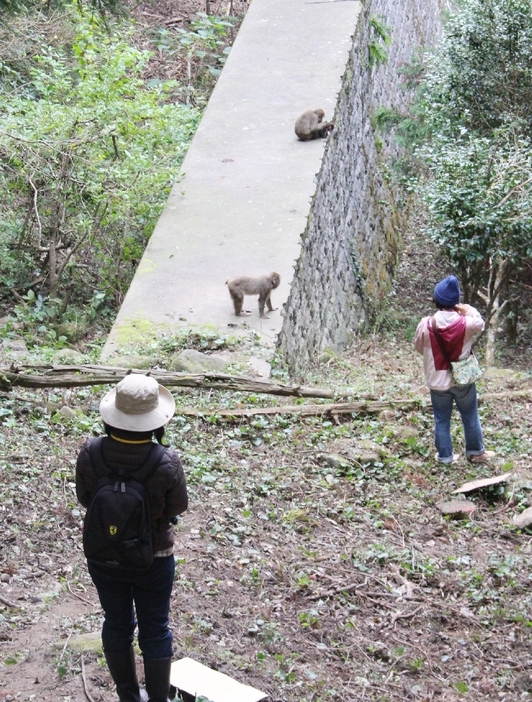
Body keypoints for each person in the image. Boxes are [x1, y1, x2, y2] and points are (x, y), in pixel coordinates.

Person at [76, 374, 188, 702]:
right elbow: (178, 505)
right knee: (155, 627)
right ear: (155, 419)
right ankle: (156, 699)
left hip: (103, 554)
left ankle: (128, 696)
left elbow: (86, 498)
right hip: (153, 557)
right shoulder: (165, 460)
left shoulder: (91, 451)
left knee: (116, 622)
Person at [414, 275, 494, 465]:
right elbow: (480, 323)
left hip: (437, 382)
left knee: (441, 420)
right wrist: (468, 309)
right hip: (463, 380)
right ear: (456, 302)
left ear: (437, 300)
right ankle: (475, 452)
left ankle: (445, 457)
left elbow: (418, 347)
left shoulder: (426, 324)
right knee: (470, 415)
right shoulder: (467, 323)